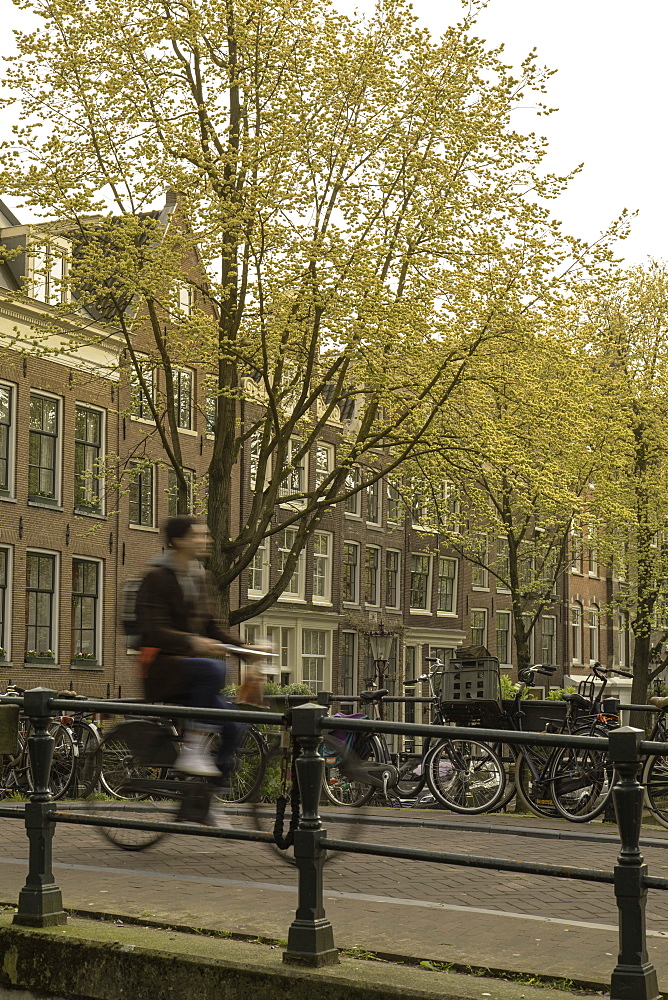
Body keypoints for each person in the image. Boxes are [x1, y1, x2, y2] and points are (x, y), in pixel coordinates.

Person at [135, 515, 261, 781]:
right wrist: (190, 641)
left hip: (192, 676)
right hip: (163, 669)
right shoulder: (156, 579)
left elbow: (211, 627)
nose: (208, 540)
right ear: (179, 541)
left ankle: (203, 793)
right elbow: (151, 630)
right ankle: (193, 749)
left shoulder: (201, 577)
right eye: (199, 535)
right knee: (214, 668)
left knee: (234, 726)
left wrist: (244, 649)